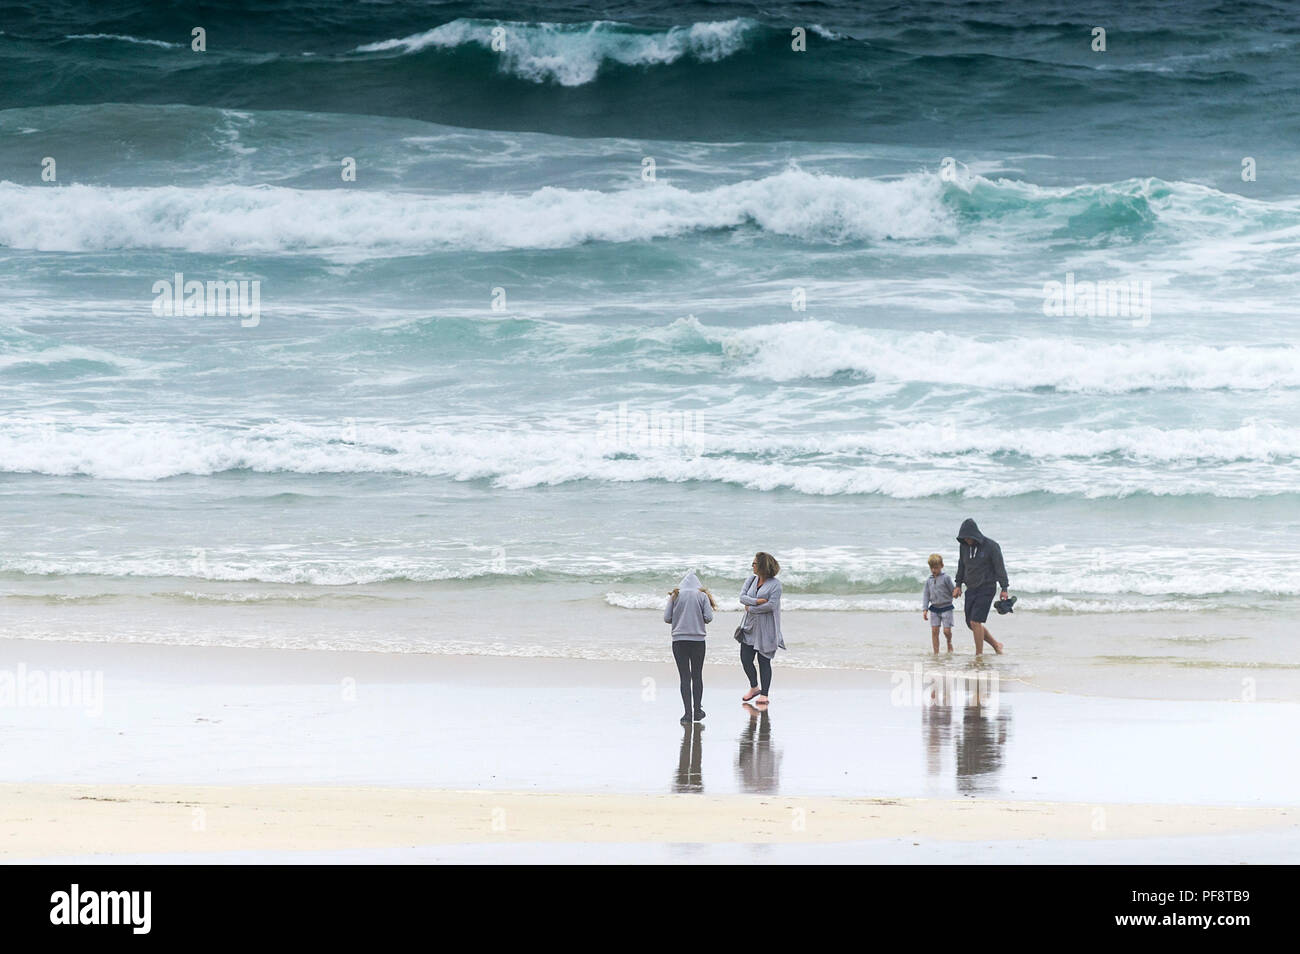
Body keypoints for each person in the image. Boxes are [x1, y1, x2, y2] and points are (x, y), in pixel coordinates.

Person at [664, 571, 716, 724]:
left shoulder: (675, 595)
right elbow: (709, 618)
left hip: (679, 641)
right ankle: (697, 711)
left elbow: (667, 618)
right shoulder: (702, 596)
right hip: (698, 641)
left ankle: (687, 714)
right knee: (697, 676)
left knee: (684, 677)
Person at [951, 518, 1009, 656]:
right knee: (970, 623)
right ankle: (996, 645)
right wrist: (958, 585)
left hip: (987, 587)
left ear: (975, 534)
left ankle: (979, 656)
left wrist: (1004, 588)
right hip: (971, 587)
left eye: (968, 537)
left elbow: (1000, 567)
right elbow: (962, 565)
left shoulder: (991, 546)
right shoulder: (964, 546)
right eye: (964, 538)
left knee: (975, 621)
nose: (967, 540)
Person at [738, 551, 785, 705]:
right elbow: (742, 598)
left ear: (763, 565)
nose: (752, 565)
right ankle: (754, 687)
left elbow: (771, 606)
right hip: (749, 626)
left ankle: (764, 694)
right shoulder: (751, 579)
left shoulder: (775, 585)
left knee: (764, 661)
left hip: (767, 628)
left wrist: (750, 607)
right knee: (745, 659)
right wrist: (757, 601)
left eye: (755, 563)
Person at [922, 552, 955, 653]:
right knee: (934, 631)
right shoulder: (929, 580)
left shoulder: (946, 578)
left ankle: (949, 642)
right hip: (934, 609)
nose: (933, 570)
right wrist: (925, 609)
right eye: (931, 568)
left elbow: (952, 590)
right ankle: (936, 652)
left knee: (946, 631)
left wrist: (956, 593)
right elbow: (926, 595)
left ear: (941, 566)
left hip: (947, 607)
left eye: (936, 567)